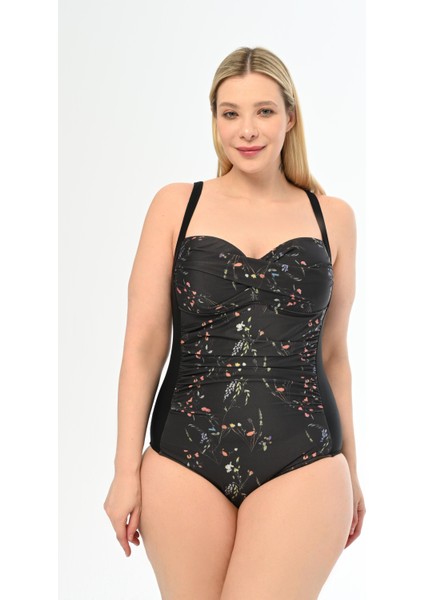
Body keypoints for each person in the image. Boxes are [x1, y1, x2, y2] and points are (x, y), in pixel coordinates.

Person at [104, 46, 366, 599]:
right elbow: (143, 346)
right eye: (231, 113)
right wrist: (125, 471)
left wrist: (354, 469)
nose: (247, 130)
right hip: (182, 460)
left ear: (290, 117)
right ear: (215, 120)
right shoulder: (176, 205)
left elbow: (334, 354)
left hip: (306, 459)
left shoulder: (333, 217)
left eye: (264, 111)